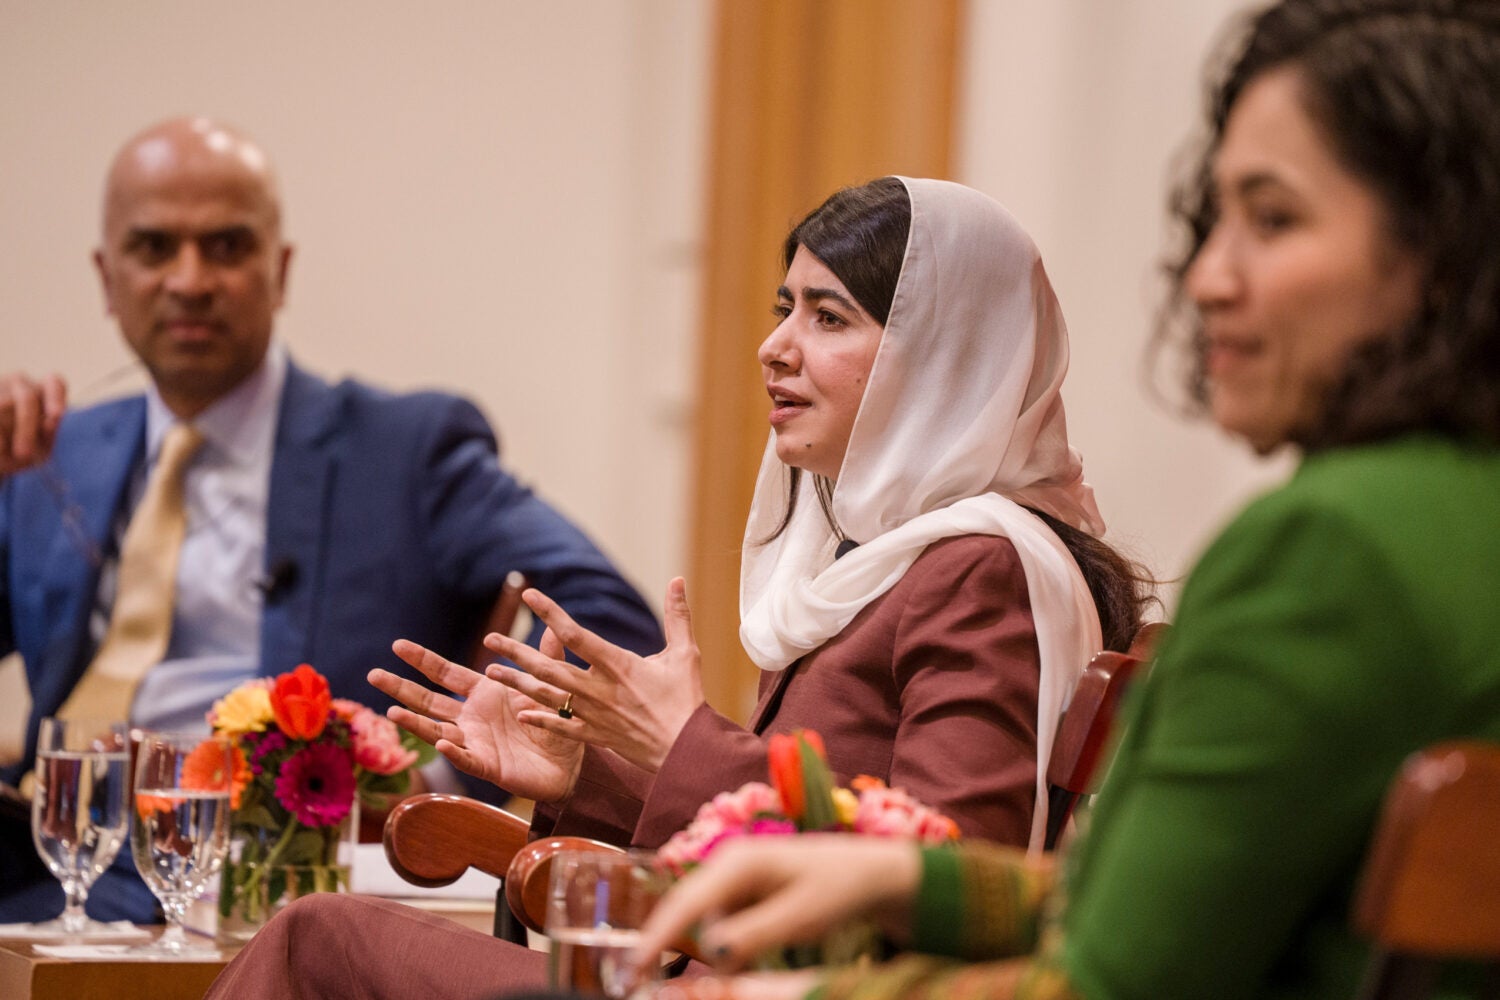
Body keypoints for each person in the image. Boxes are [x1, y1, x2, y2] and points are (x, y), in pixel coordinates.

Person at [626, 2, 1500, 999]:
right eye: (1213, 220)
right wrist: (902, 873)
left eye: (1274, 218)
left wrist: (776, 995)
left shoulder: (1324, 546)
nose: (1208, 276)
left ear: (1443, 248)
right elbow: (1163, 902)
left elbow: (1103, 984)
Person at [203, 176, 1151, 999]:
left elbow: (938, 877)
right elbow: (798, 827)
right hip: (721, 976)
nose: (774, 347)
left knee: (314, 938)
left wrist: (681, 747)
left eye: (829, 318)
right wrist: (591, 774)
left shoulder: (981, 570)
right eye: (785, 307)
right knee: (321, 935)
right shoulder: (904, 560)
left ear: (946, 356)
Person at [0, 116, 664, 924]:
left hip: (283, 880)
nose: (189, 279)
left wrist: (448, 778)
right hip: (54, 866)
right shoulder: (45, 456)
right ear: (107, 278)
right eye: (153, 248)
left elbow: (606, 614)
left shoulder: (403, 452)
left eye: (226, 246)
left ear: (279, 271)